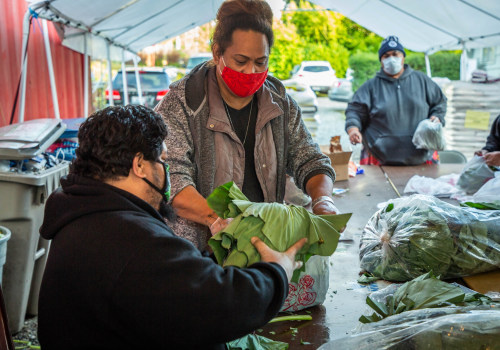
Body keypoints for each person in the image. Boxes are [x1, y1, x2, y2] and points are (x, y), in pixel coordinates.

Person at [37, 105, 307, 350]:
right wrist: (276, 271)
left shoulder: (89, 218)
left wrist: (212, 257)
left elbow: (167, 286)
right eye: (162, 160)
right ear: (140, 165)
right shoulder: (130, 239)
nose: (166, 170)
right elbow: (221, 307)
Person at [155, 0, 337, 250]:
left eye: (260, 62)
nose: (251, 71)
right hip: (199, 255)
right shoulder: (182, 103)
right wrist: (218, 220)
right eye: (240, 61)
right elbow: (170, 179)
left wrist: (322, 200)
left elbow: (310, 160)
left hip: (265, 246)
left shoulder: (281, 104)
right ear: (217, 52)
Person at [345, 35, 447, 166]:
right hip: (379, 157)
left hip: (422, 156)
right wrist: (353, 128)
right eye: (386, 56)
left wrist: (437, 116)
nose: (391, 59)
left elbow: (440, 102)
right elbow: (355, 111)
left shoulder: (422, 81)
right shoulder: (370, 87)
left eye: (395, 54)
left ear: (403, 57)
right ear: (381, 60)